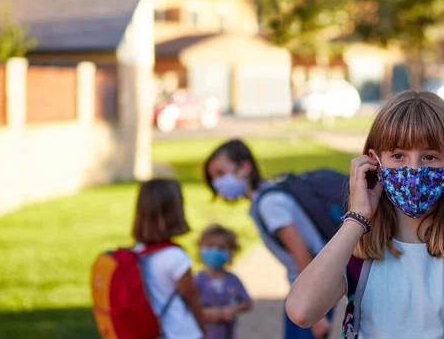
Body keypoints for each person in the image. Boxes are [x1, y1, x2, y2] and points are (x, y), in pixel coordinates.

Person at [285, 91, 444, 338]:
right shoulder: (355, 253)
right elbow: (302, 311)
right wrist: (357, 217)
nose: (414, 169)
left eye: (430, 156)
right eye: (398, 156)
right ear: (375, 162)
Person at [204, 140, 334, 339]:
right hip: (305, 292)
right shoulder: (267, 195)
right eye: (213, 177)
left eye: (221, 173)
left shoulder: (268, 204)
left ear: (244, 167)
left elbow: (302, 253)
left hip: (310, 295)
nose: (217, 183)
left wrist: (316, 317)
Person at [132, 178, 206, 339]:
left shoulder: (137, 252)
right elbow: (192, 300)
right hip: (181, 332)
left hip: (153, 331)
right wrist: (204, 332)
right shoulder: (175, 257)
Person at [195, 224, 252, 339]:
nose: (215, 251)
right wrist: (205, 313)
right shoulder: (197, 280)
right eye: (210, 246)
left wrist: (233, 309)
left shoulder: (233, 279)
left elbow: (247, 302)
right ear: (200, 248)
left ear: (232, 251)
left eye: (221, 247)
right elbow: (187, 306)